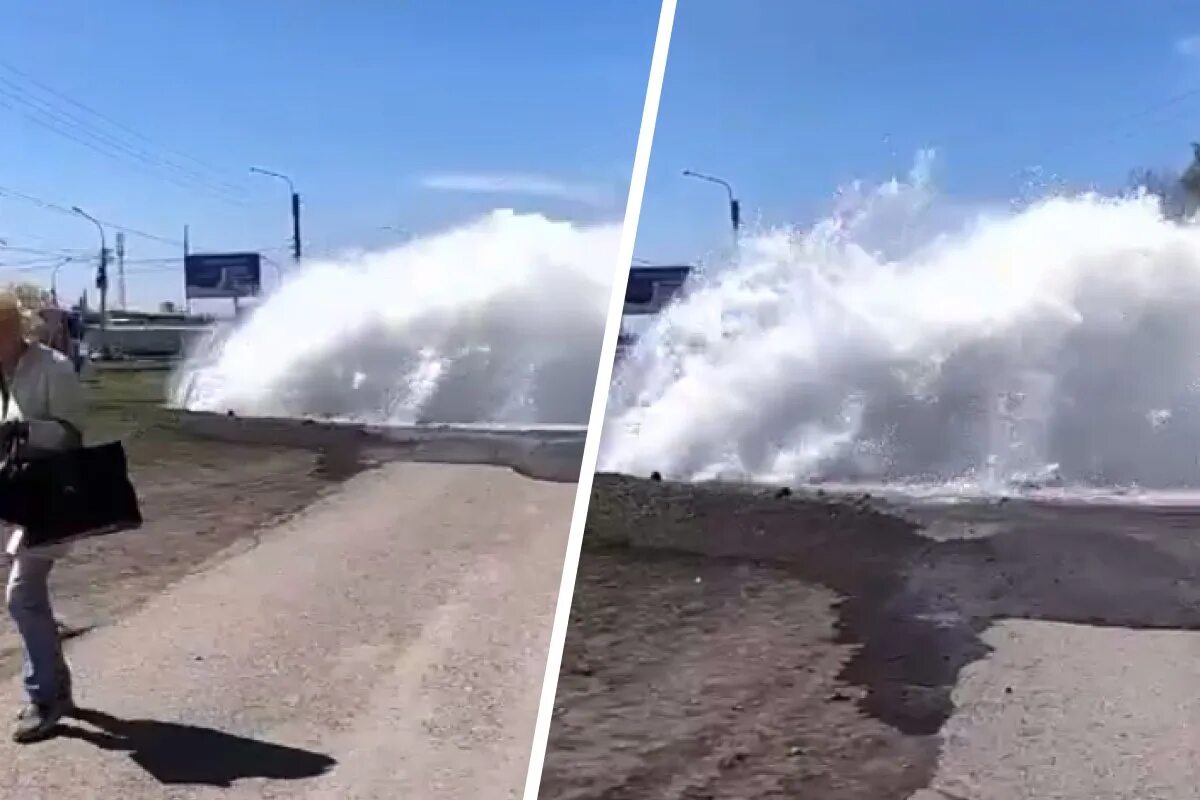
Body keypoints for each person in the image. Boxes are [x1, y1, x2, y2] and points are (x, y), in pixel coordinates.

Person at [0, 291, 85, 742]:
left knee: (22, 595)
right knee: (28, 596)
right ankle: (56, 684)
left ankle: (46, 697)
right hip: (17, 500)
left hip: (52, 498)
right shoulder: (4, 373)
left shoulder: (52, 367)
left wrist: (23, 430)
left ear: (13, 329)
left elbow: (72, 433)